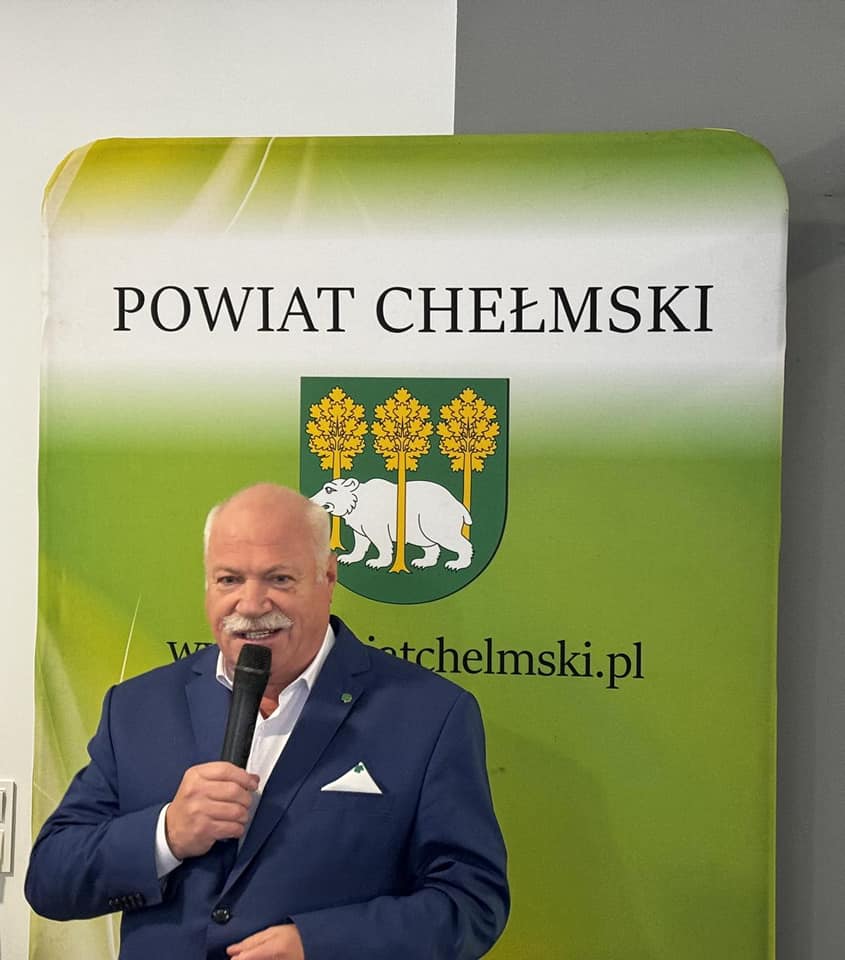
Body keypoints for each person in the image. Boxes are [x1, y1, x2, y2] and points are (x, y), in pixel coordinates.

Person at [25, 483, 509, 960]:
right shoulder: (137, 707)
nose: (252, 604)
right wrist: (167, 834)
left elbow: (472, 903)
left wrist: (319, 946)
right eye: (229, 580)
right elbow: (50, 878)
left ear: (328, 577)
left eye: (279, 579)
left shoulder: (430, 715)